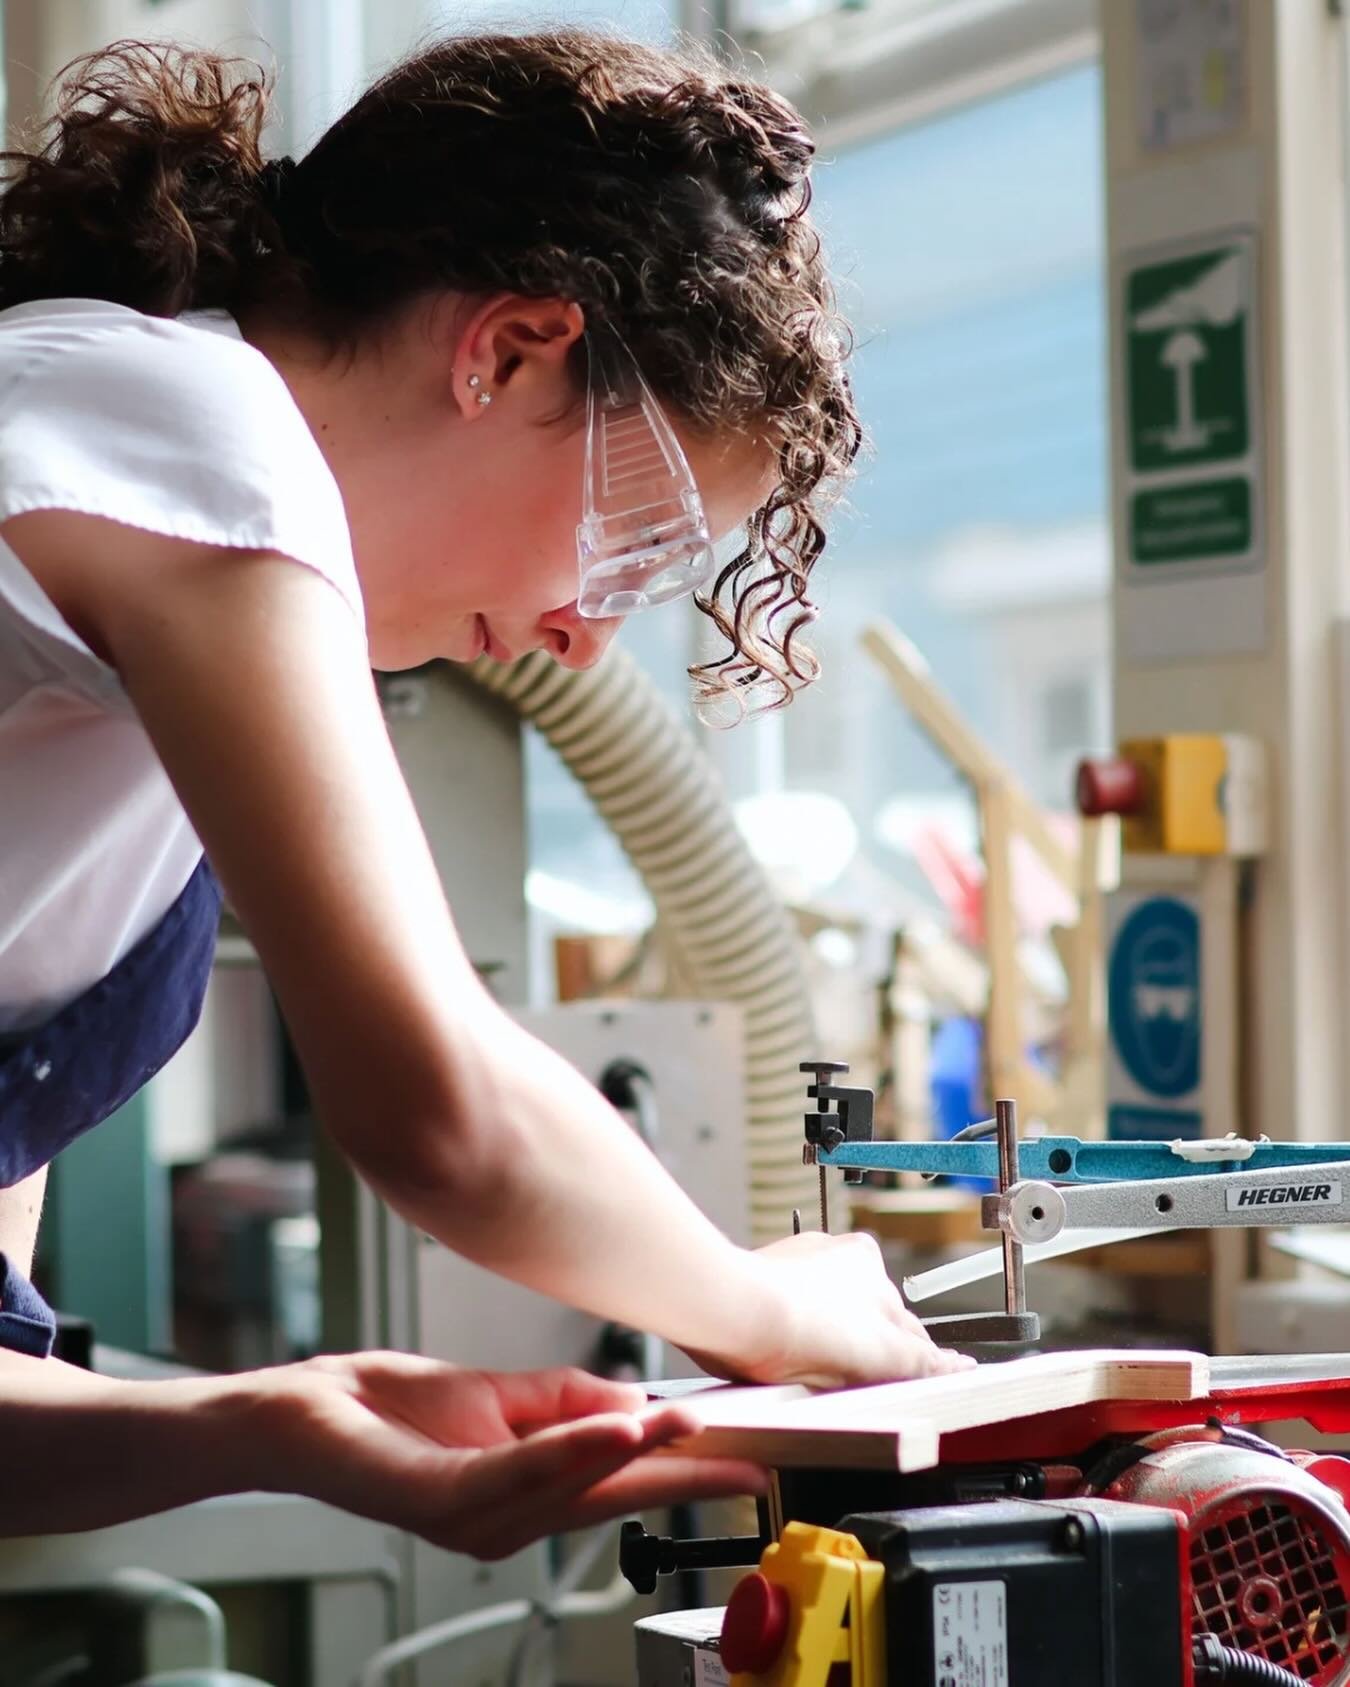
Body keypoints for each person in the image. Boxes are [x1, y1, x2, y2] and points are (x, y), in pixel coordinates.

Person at [0, 30, 968, 1552]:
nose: (587, 640)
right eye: (635, 541)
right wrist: (768, 1301)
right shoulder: (179, 424)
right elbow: (442, 1111)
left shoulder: (135, 740)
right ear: (506, 349)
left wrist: (270, 1424)